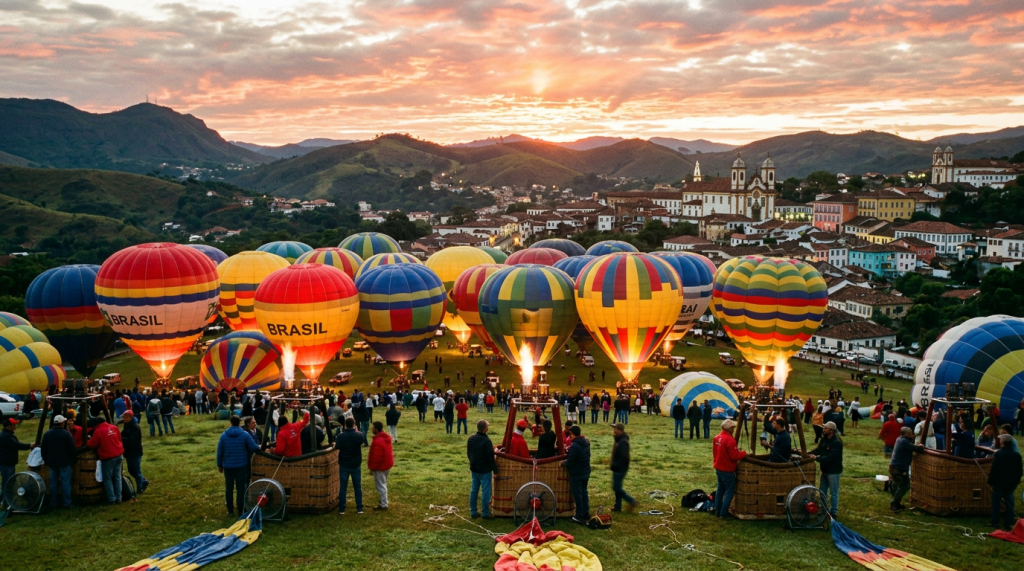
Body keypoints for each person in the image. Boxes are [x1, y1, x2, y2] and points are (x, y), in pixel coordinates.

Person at [216, 415, 258, 517]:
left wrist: (219, 465)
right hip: (241, 465)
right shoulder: (245, 435)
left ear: (230, 422)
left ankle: (230, 510)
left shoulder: (223, 436)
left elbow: (220, 452)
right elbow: (254, 447)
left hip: (228, 466)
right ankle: (241, 510)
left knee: (229, 488)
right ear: (240, 423)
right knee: (241, 489)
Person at [712, 419, 746, 518]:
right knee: (729, 491)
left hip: (718, 467)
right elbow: (734, 456)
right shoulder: (730, 440)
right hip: (727, 469)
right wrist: (744, 453)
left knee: (720, 490)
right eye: (733, 428)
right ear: (730, 428)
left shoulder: (717, 438)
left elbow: (715, 453)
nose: (734, 429)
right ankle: (723, 513)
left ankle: (717, 511)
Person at [41, 414, 77, 509]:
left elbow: (43, 449)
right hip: (64, 462)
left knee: (53, 483)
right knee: (65, 482)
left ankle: (54, 502)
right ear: (62, 423)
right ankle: (67, 503)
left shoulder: (47, 434)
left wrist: (46, 460)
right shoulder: (66, 434)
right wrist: (73, 460)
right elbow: (72, 449)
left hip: (52, 462)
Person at [808, 421, 843, 517]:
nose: (823, 430)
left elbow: (830, 458)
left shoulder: (836, 443)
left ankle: (834, 511)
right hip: (825, 470)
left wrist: (816, 458)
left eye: (825, 428)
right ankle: (824, 509)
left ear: (831, 431)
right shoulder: (824, 440)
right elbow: (818, 449)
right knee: (822, 491)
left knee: (833, 492)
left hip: (833, 471)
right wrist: (808, 453)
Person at [87, 416, 125, 505]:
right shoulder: (114, 427)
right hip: (119, 454)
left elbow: (92, 444)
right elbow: (119, 438)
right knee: (117, 477)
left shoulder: (98, 431)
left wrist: (88, 440)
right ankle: (119, 497)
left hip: (108, 457)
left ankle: (112, 498)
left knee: (107, 478)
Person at [988, 434, 1022, 530]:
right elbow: (1019, 471)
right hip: (1010, 484)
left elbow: (994, 470)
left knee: (996, 503)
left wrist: (990, 482)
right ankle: (1009, 522)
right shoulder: (1016, 455)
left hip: (998, 483)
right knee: (1009, 503)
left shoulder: (999, 454)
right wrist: (1016, 482)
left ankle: (995, 522)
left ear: (1002, 442)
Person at [888, 426, 924, 512]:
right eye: (911, 433)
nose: (912, 435)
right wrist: (921, 446)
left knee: (898, 486)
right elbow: (916, 449)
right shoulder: (904, 442)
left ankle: (897, 503)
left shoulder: (899, 439)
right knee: (904, 486)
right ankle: (894, 503)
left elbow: (910, 446)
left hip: (895, 467)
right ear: (907, 434)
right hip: (900, 468)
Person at [467, 419, 497, 519]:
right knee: (486, 491)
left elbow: (469, 453)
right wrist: (495, 469)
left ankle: (473, 511)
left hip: (474, 468)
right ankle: (485, 513)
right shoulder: (487, 441)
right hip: (484, 470)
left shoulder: (471, 438)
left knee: (474, 490)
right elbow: (490, 458)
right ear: (485, 429)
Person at [561, 425, 591, 524]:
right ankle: (586, 513)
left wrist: (563, 464)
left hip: (577, 473)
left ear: (572, 434)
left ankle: (579, 516)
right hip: (586, 471)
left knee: (578, 495)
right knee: (584, 493)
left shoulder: (574, 445)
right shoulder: (586, 442)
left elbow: (571, 461)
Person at [335, 417, 364, 514]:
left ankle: (342, 508)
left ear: (345, 425)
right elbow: (361, 442)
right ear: (354, 424)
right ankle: (359, 507)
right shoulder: (359, 435)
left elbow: (337, 446)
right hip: (355, 463)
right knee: (357, 486)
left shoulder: (340, 436)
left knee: (343, 486)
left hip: (344, 463)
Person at [1, 417, 36, 493]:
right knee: (8, 481)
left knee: (7, 480)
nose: (15, 426)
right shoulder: (7, 436)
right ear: (9, 426)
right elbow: (17, 445)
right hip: (7, 463)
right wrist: (29, 445)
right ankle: (5, 497)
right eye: (14, 425)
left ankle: (5, 497)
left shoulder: (6, 435)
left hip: (6, 462)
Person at [609, 423, 637, 512]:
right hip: (618, 467)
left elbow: (624, 457)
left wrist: (616, 465)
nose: (614, 430)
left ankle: (631, 500)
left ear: (620, 431)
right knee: (617, 487)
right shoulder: (619, 439)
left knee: (616, 488)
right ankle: (617, 506)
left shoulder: (623, 442)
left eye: (615, 429)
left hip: (620, 468)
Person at [367, 421, 394, 510]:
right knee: (383, 483)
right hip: (387, 464)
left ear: (376, 429)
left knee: (380, 485)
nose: (372, 429)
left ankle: (384, 504)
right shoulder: (386, 438)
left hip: (380, 467)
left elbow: (376, 457)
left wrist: (372, 468)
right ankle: (383, 500)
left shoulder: (377, 441)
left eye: (373, 428)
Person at [120, 411, 148, 494]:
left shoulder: (135, 427)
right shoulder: (126, 426)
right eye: (124, 417)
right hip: (129, 452)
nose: (125, 419)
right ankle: (143, 481)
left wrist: (123, 439)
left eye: (126, 417)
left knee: (136, 470)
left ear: (131, 417)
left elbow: (132, 440)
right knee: (131, 470)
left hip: (135, 452)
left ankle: (140, 488)